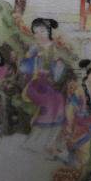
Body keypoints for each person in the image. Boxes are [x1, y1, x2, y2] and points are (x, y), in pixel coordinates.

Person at [19, 18, 75, 156]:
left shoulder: (56, 48)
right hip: (36, 83)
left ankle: (52, 142)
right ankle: (36, 142)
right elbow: (23, 67)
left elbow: (65, 66)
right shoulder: (34, 48)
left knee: (59, 99)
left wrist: (59, 64)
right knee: (50, 101)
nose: (39, 35)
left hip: (52, 83)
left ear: (49, 31)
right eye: (36, 32)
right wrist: (32, 58)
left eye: (42, 31)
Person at [62, 60, 91, 166]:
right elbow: (69, 110)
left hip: (89, 123)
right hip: (77, 125)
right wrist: (69, 128)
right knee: (84, 156)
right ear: (88, 72)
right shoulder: (78, 89)